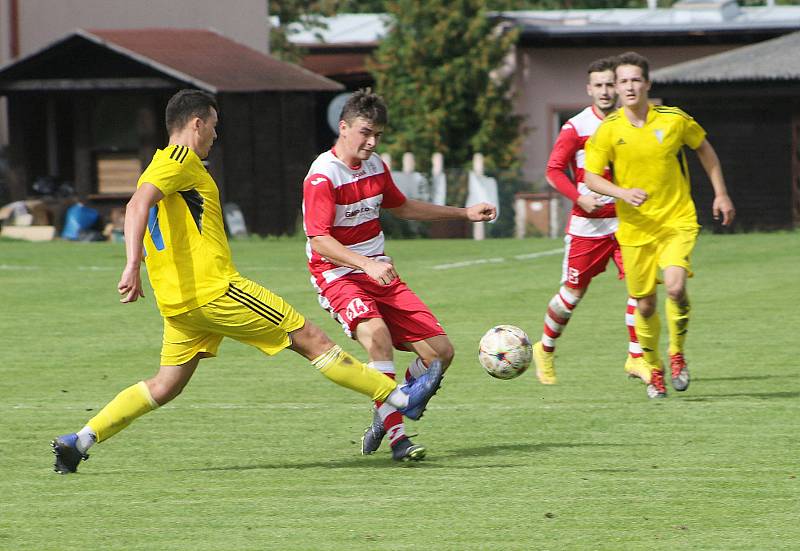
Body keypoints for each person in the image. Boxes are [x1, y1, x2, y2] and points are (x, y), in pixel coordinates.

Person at [51, 89, 443, 474]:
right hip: (216, 291)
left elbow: (147, 203)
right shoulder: (178, 159)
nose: (216, 135)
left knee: (165, 386)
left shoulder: (168, 165)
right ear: (197, 123)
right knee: (311, 340)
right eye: (215, 126)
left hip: (178, 305)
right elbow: (136, 204)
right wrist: (131, 264)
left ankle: (81, 440)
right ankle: (399, 396)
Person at [302, 89, 496, 461]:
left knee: (440, 353)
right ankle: (399, 439)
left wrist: (463, 213)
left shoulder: (376, 168)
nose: (372, 142)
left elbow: (403, 207)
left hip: (379, 270)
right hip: (338, 274)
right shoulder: (322, 176)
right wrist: (366, 264)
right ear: (343, 127)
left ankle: (384, 410)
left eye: (378, 135)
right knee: (377, 335)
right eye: (365, 132)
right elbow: (319, 240)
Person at [584, 52, 735, 399]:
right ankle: (654, 370)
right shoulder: (609, 130)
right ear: (618, 88)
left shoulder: (674, 120)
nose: (630, 86)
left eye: (636, 79)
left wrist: (721, 194)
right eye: (623, 81)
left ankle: (676, 354)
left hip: (676, 221)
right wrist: (621, 191)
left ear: (648, 84)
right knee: (646, 304)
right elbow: (591, 176)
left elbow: (705, 150)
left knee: (676, 287)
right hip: (636, 230)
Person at [532, 57, 649, 386]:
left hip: (627, 221)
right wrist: (578, 197)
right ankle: (546, 349)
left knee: (641, 289)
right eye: (598, 85)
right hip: (588, 225)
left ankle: (636, 356)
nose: (606, 91)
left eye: (611, 84)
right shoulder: (576, 127)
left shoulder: (632, 123)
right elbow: (553, 171)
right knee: (571, 296)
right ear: (589, 89)